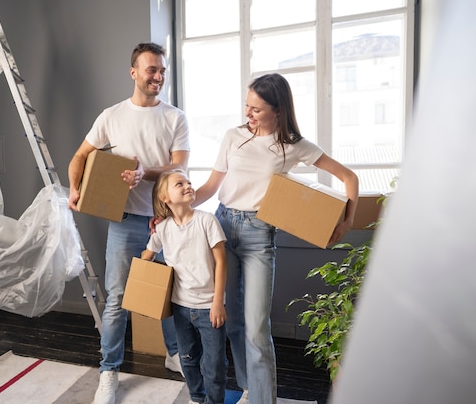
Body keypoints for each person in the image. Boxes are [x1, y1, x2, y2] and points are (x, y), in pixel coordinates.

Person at [193, 73, 359, 404]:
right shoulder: (233, 137)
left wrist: (347, 219)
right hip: (223, 226)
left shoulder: (294, 145)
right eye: (246, 106)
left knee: (256, 328)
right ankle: (248, 389)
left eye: (256, 109)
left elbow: (348, 177)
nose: (248, 115)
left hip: (259, 235)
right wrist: (174, 209)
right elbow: (211, 188)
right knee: (234, 323)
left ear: (278, 109)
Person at [67, 42, 190, 404]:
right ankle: (109, 372)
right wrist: (76, 189)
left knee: (170, 292)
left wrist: (144, 173)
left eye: (163, 70)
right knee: (118, 300)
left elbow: (179, 167)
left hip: (166, 220)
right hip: (123, 221)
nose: (158, 76)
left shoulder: (175, 117)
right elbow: (80, 156)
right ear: (134, 72)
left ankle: (174, 354)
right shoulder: (111, 116)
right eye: (152, 70)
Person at [142, 168, 228, 404]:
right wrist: (144, 281)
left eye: (189, 182)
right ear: (165, 198)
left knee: (215, 364)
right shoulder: (162, 228)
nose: (188, 185)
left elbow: (221, 262)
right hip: (179, 307)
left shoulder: (207, 221)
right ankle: (196, 398)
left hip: (209, 307)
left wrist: (218, 303)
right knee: (188, 358)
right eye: (179, 184)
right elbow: (146, 256)